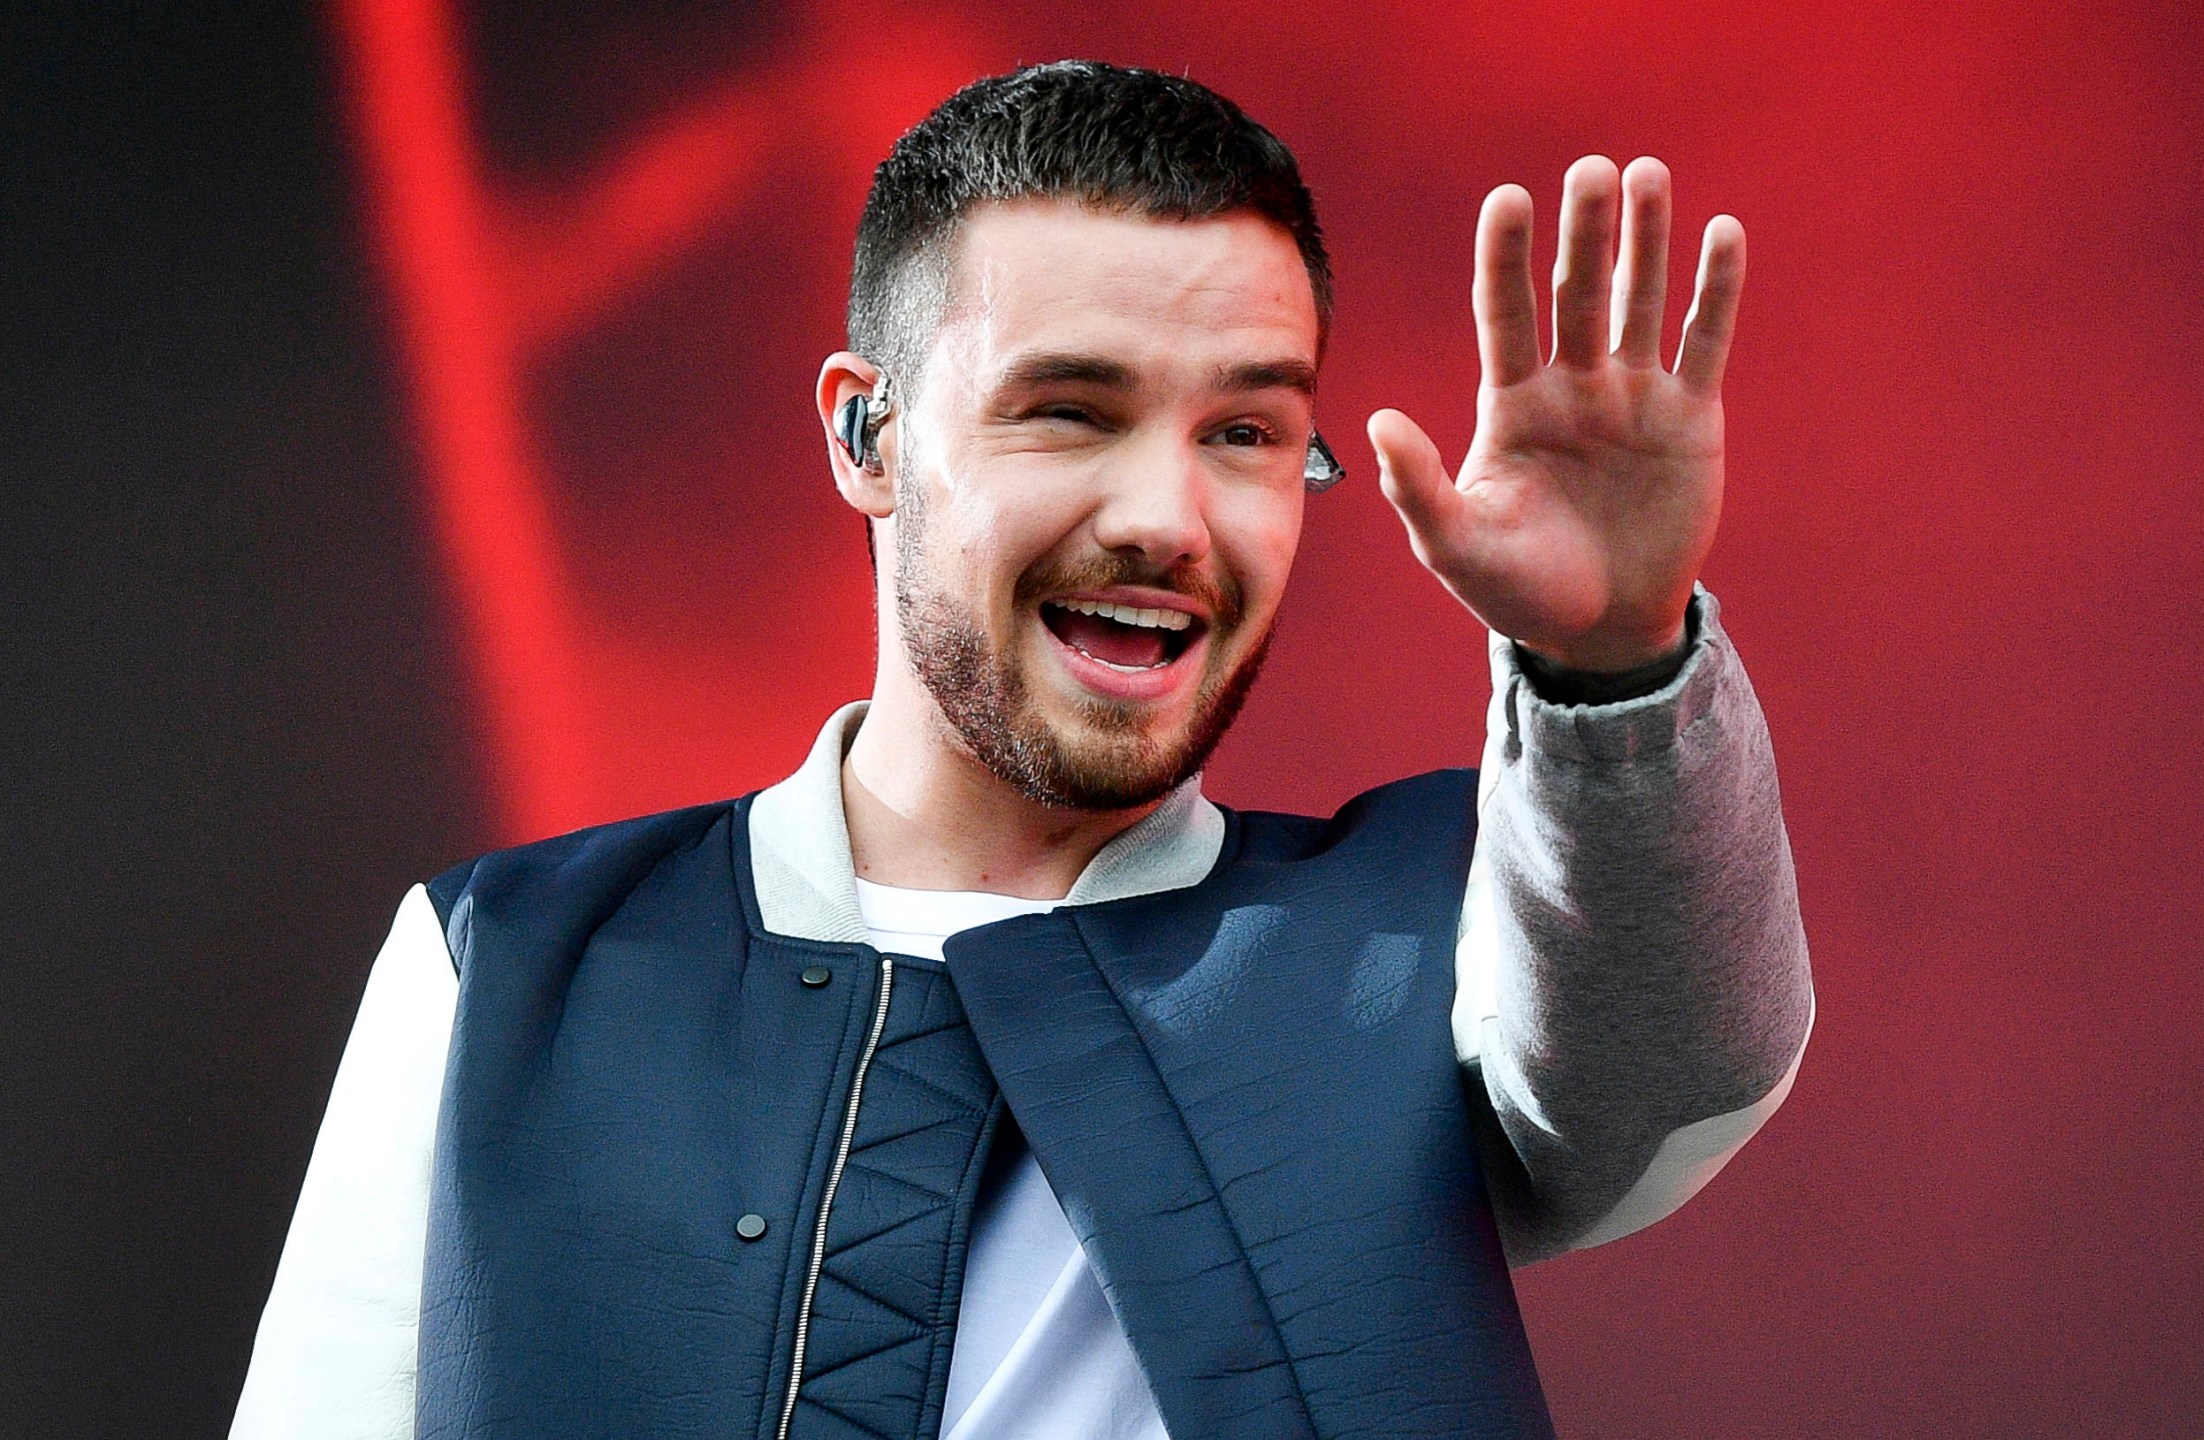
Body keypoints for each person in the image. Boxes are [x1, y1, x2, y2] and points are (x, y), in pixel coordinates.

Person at [233, 60, 1813, 1440]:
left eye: (1248, 431)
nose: (1164, 517)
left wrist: (1614, 658)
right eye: (1069, 409)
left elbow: (1674, 1078)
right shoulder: (499, 963)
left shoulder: (1422, 932)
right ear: (869, 438)